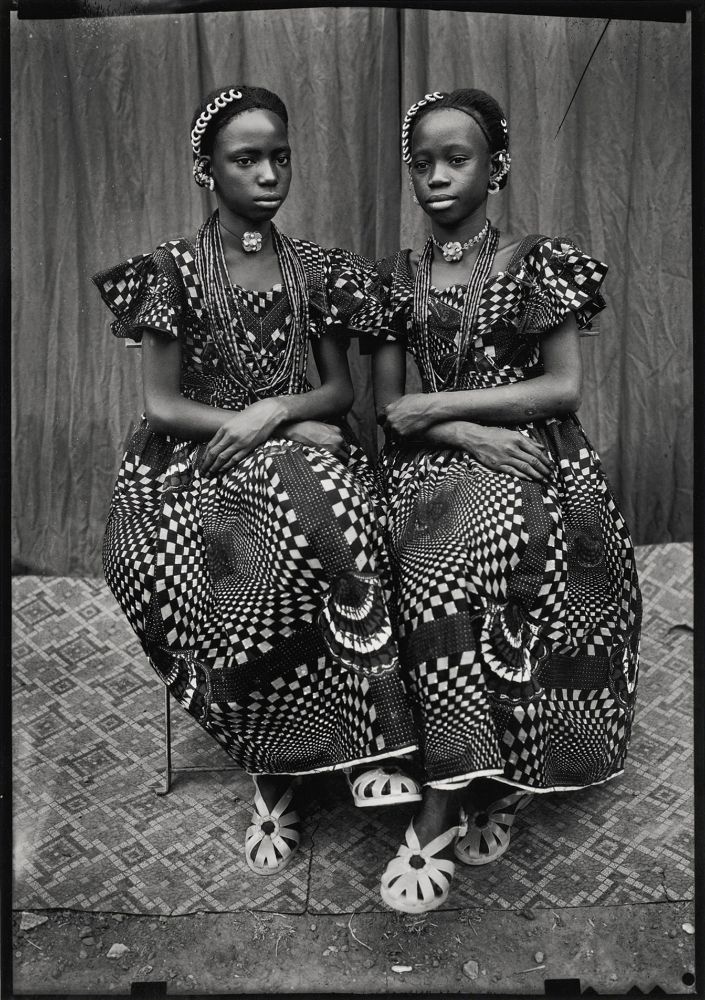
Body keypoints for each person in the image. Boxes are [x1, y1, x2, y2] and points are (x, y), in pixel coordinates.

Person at [92, 85, 418, 877]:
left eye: (279, 157)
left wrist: (274, 413)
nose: (268, 174)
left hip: (295, 441)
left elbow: (337, 392)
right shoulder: (170, 270)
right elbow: (163, 405)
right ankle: (271, 767)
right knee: (236, 545)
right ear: (206, 171)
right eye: (245, 160)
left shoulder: (312, 267)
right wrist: (252, 425)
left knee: (332, 519)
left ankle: (361, 740)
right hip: (192, 457)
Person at [349, 88, 642, 913]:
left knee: (502, 542)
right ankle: (448, 771)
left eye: (457, 159)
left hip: (530, 452)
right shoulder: (394, 279)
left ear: (496, 168)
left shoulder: (537, 262)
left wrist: (443, 408)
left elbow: (559, 387)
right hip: (430, 460)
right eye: (422, 164)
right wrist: (457, 431)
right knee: (423, 555)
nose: (437, 176)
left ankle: (475, 788)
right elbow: (391, 409)